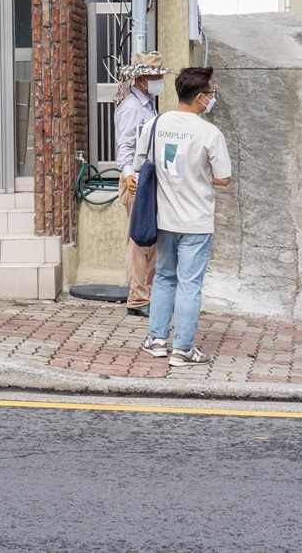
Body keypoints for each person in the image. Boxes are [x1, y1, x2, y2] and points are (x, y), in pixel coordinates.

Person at [140, 66, 232, 366]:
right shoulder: (209, 133)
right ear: (201, 97)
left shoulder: (156, 124)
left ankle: (156, 341)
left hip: (164, 219)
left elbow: (143, 162)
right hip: (196, 221)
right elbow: (224, 178)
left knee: (165, 277)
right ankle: (182, 349)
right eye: (212, 93)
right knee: (189, 284)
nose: (213, 99)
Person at [113, 52, 174, 318]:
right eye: (154, 75)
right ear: (140, 78)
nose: (159, 79)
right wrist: (129, 176)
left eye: (160, 75)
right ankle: (137, 299)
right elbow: (124, 147)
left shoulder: (147, 103)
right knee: (139, 240)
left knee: (150, 240)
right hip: (136, 180)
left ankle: (146, 294)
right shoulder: (131, 107)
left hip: (147, 179)